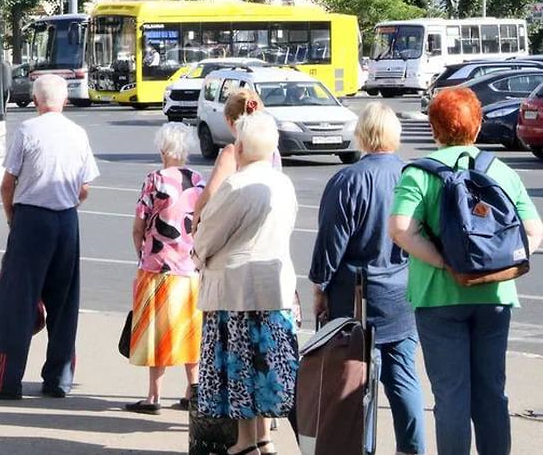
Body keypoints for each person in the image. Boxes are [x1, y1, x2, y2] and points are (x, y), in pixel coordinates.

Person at [389, 87, 543, 455]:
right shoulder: (502, 171)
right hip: (496, 296)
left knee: (451, 396)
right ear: (477, 127)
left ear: (434, 129)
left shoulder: (421, 174)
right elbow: (534, 231)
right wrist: (500, 266)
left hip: (438, 297)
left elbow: (399, 228)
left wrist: (445, 263)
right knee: (492, 392)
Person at [0, 73, 99, 400]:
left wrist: (14, 217)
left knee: (15, 302)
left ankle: (6, 380)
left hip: (31, 218)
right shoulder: (78, 133)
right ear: (64, 100)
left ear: (37, 101)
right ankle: (59, 378)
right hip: (67, 220)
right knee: (65, 302)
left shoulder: (28, 130)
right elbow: (85, 187)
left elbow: (7, 183)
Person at [309, 103, 425, 455]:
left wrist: (319, 285)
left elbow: (331, 242)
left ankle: (363, 448)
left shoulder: (348, 180)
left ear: (361, 134)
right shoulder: (411, 175)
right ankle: (412, 448)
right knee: (403, 378)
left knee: (356, 383)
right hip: (404, 293)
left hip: (356, 297)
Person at [194, 112, 298, 455]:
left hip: (236, 290)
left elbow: (207, 234)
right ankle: (263, 438)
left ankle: (245, 442)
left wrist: (199, 255)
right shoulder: (283, 183)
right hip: (273, 287)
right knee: (264, 366)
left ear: (239, 147)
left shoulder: (236, 185)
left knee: (239, 367)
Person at [125, 122, 204, 415]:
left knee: (157, 333)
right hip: (190, 270)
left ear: (162, 150)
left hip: (158, 268)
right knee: (190, 330)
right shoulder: (199, 181)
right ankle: (192, 390)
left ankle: (153, 396)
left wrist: (142, 254)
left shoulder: (155, 180)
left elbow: (138, 226)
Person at [193, 88, 277, 231]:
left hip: (236, 232)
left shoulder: (232, 153)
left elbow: (209, 198)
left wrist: (196, 224)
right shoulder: (272, 150)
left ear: (229, 120)